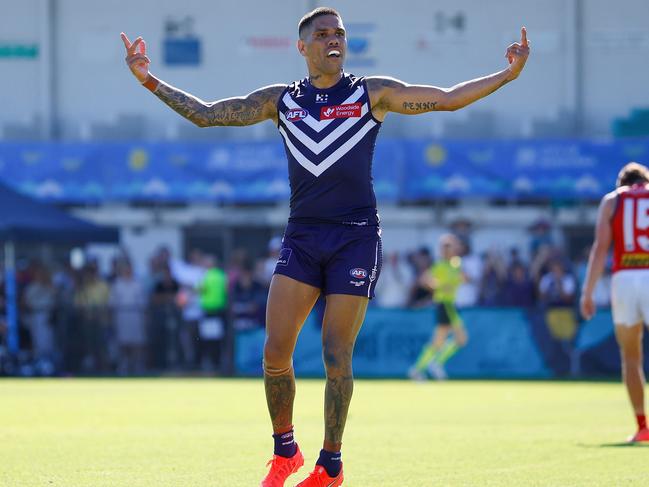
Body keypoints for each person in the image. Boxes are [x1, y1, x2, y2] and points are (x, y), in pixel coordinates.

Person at [122, 7, 530, 485]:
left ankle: (331, 463)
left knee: (336, 354)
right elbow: (209, 115)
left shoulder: (370, 93)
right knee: (276, 352)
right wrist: (149, 80)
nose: (333, 40)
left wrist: (509, 73)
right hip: (303, 235)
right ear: (302, 46)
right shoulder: (281, 101)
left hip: (356, 236)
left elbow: (446, 100)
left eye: (339, 33)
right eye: (322, 34)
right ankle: (285, 450)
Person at [581, 162, 649, 443]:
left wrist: (588, 291)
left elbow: (600, 249)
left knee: (631, 357)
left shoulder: (612, 200)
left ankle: (643, 427)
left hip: (624, 280)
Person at [409, 234, 468, 381]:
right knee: (453, 339)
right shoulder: (440, 265)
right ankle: (424, 367)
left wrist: (459, 280)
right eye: (446, 246)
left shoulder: (456, 263)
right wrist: (439, 286)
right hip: (444, 304)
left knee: (447, 341)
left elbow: (464, 278)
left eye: (451, 246)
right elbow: (424, 280)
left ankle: (426, 366)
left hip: (451, 305)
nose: (449, 249)